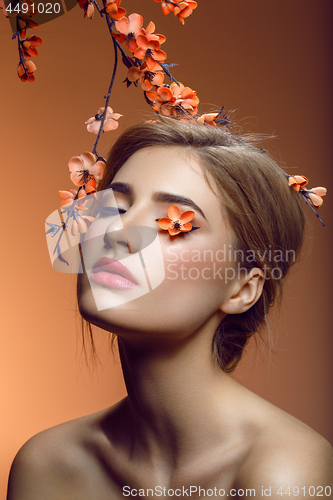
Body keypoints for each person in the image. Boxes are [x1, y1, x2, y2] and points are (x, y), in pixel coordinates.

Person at [6, 118, 333, 499]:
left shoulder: (283, 473)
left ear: (243, 289)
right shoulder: (47, 466)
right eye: (115, 207)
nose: (117, 233)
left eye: (174, 223)